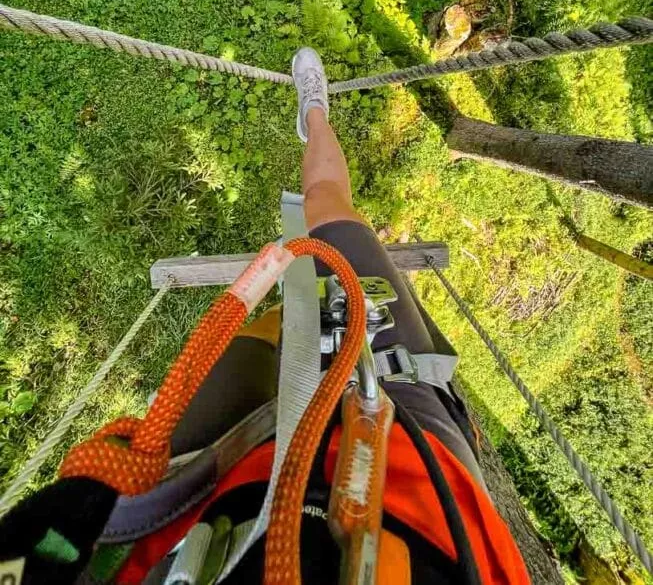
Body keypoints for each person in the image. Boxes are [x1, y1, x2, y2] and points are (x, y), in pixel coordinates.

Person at [0, 50, 530, 584]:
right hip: (415, 467)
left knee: (275, 327)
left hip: (206, 498)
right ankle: (316, 115)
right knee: (330, 208)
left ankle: (292, 306)